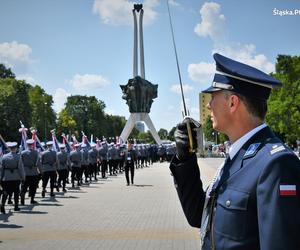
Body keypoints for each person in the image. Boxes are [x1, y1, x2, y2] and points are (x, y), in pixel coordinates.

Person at [170, 53, 300, 250]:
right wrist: (185, 158)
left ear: (232, 102)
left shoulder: (276, 164)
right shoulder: (237, 157)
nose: (208, 104)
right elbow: (199, 215)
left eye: (212, 97)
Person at [0, 142, 25, 213]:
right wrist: (23, 177)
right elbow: (21, 168)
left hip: (6, 177)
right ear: (16, 148)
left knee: (6, 192)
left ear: (9, 148)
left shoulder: (4, 157)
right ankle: (16, 207)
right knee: (16, 192)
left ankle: (2, 205)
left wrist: (1, 178)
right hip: (16, 177)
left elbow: (2, 169)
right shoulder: (18, 157)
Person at [20, 139, 41, 205]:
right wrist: (41, 171)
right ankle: (32, 200)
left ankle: (22, 197)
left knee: (24, 186)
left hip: (25, 172)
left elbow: (20, 163)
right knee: (33, 187)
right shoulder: (36, 152)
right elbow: (38, 163)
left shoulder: (23, 153)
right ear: (32, 145)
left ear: (27, 145)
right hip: (34, 172)